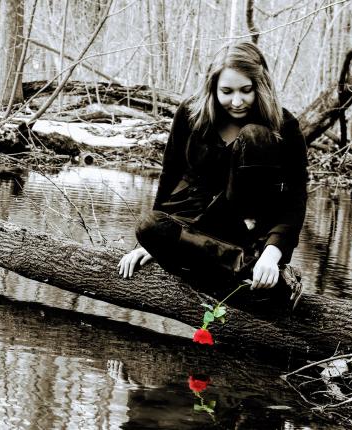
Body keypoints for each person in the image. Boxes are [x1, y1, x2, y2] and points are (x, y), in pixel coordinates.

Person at [118, 42, 307, 304]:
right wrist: (149, 245)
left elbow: (295, 201)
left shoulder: (283, 126)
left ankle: (255, 272)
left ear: (260, 86)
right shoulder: (190, 114)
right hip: (196, 227)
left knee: (255, 136)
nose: (237, 101)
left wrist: (271, 255)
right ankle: (247, 278)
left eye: (246, 90)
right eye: (227, 91)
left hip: (248, 235)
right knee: (148, 225)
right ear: (212, 87)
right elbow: (170, 175)